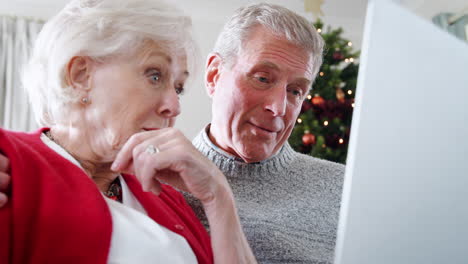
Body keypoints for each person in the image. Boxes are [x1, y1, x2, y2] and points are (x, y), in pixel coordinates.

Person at [0, 0, 256, 263]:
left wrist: (218, 196)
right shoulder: (11, 162)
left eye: (178, 88)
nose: (174, 106)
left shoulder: (169, 199)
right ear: (80, 76)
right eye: (155, 75)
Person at [183, 3, 345, 264]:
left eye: (295, 91)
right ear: (214, 75)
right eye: (262, 78)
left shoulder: (344, 192)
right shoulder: (153, 183)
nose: (278, 107)